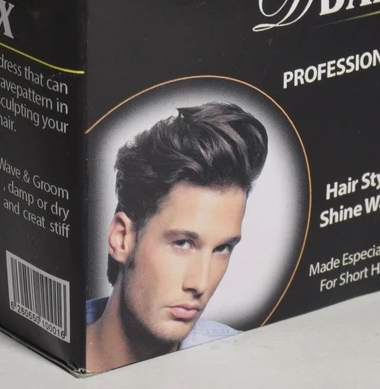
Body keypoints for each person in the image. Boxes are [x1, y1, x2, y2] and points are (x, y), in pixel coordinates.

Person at [86, 101, 268, 372]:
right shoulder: (49, 344)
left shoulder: (240, 365)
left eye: (221, 248)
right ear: (122, 239)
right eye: (183, 243)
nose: (200, 283)